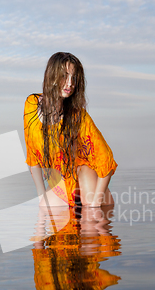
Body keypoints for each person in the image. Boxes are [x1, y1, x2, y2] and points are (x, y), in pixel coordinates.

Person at [24, 52, 117, 208]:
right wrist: (41, 197)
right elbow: (32, 156)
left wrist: (95, 206)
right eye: (64, 76)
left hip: (85, 172)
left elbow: (106, 161)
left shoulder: (78, 116)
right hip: (62, 178)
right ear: (51, 76)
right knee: (45, 210)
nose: (70, 84)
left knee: (92, 218)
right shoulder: (31, 105)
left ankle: (92, 212)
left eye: (74, 78)